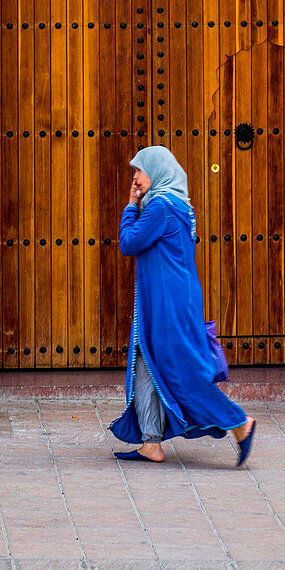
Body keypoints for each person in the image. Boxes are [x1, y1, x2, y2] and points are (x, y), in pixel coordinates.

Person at [109, 145, 256, 466]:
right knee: (146, 363)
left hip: (169, 304)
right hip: (173, 298)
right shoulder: (177, 204)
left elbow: (129, 243)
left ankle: (239, 423)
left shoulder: (159, 206)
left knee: (180, 371)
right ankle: (151, 443)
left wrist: (130, 205)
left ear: (157, 171)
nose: (134, 177)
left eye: (139, 170)